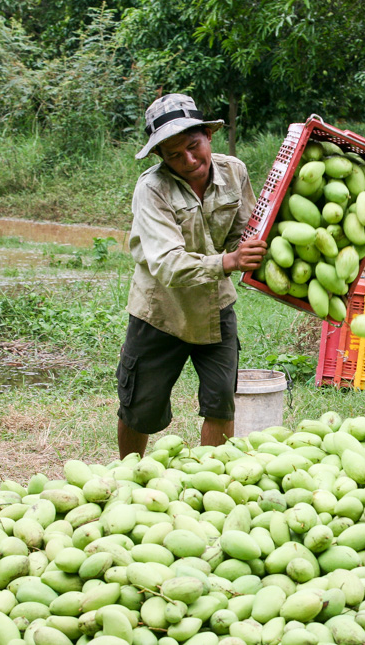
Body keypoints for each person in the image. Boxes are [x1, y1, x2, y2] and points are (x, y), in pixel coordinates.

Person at [116, 93, 267, 458]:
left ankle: (210, 481)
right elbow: (167, 264)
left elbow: (243, 232)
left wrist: (254, 252)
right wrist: (228, 262)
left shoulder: (234, 171)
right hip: (161, 312)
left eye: (193, 146)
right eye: (173, 155)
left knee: (220, 402)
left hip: (215, 309)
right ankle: (127, 478)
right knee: (140, 409)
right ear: (160, 157)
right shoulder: (152, 189)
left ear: (208, 136)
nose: (188, 160)